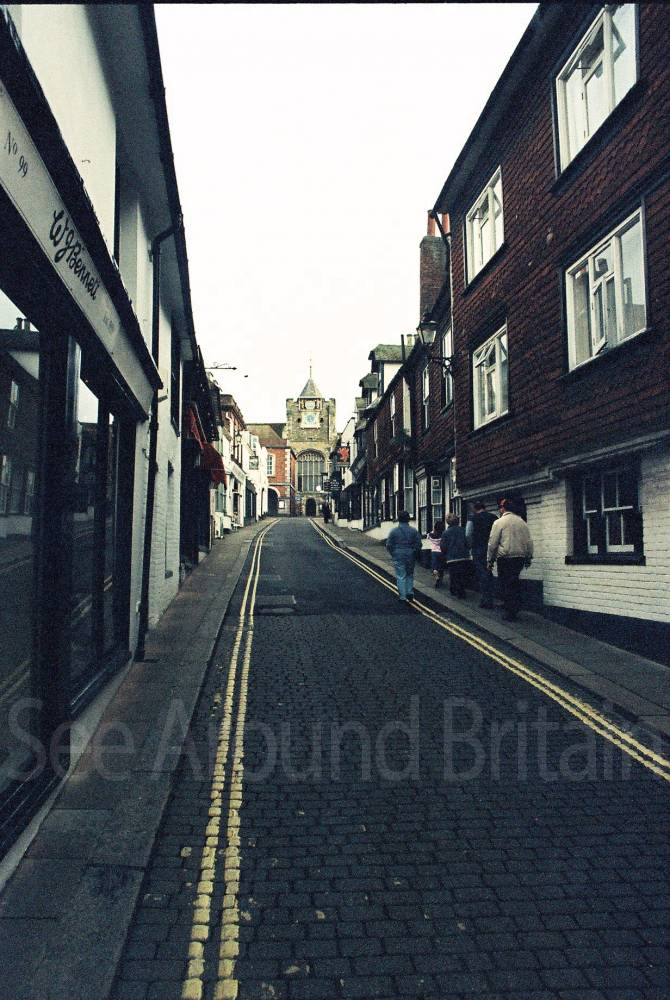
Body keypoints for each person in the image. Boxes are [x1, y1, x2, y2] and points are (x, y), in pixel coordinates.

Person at [486, 497, 534, 621]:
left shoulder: (499, 522)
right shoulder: (522, 522)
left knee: (505, 584)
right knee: (514, 582)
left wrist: (490, 560)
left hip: (505, 558)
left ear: (503, 509)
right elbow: (529, 542)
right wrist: (528, 557)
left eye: (500, 507)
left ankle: (509, 611)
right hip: (519, 558)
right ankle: (514, 607)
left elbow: (492, 543)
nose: (499, 509)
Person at [465, 500, 497, 608]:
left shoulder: (472, 519)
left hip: (478, 548)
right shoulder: (493, 517)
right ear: (484, 507)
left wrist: (470, 546)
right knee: (489, 572)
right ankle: (491, 597)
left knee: (482, 574)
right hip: (491, 549)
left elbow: (468, 534)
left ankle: (486, 600)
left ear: (475, 508)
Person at [386, 510, 422, 603]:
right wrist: (414, 552)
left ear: (398, 519)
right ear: (408, 519)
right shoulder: (414, 531)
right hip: (410, 554)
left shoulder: (394, 531)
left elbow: (389, 545)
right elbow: (419, 544)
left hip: (398, 554)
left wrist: (393, 553)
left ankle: (403, 596)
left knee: (401, 575)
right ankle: (410, 592)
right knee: (410, 574)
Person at [440, 513, 470, 598]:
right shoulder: (463, 530)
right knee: (462, 575)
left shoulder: (445, 533)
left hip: (452, 558)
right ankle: (461, 591)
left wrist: (445, 554)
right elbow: (468, 543)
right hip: (464, 557)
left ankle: (454, 590)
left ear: (448, 522)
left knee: (454, 575)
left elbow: (443, 547)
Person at [427, 519, 445, 587]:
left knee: (434, 566)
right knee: (441, 567)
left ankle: (435, 574)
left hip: (434, 551)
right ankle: (440, 580)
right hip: (441, 552)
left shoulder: (431, 535)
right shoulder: (443, 535)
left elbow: (428, 537)